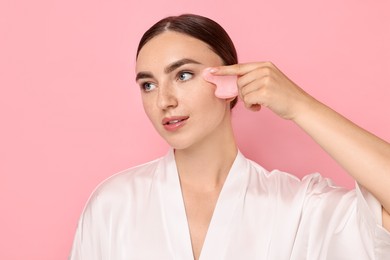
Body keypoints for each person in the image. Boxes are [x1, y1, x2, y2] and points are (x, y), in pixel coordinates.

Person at [70, 14, 390, 259]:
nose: (163, 101)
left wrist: (299, 106)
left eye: (183, 75)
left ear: (231, 79)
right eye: (148, 85)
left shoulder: (300, 208)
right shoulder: (113, 204)